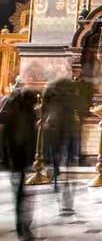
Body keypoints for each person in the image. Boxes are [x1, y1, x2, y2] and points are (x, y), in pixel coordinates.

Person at [42, 77, 89, 211]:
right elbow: (82, 107)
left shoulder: (50, 91)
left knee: (55, 155)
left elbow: (44, 108)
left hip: (54, 127)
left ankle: (56, 174)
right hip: (69, 128)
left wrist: (45, 118)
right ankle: (66, 187)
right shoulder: (72, 92)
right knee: (69, 161)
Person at [0, 86, 38, 240]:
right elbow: (7, 135)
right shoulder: (14, 111)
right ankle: (23, 228)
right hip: (15, 156)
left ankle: (23, 227)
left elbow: (31, 134)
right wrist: (6, 157)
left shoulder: (27, 111)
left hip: (20, 157)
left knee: (21, 194)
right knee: (20, 194)